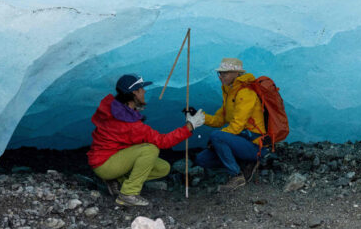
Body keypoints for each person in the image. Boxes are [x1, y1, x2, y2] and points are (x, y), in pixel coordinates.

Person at [87, 74, 205, 206]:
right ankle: (128, 193)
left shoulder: (116, 108)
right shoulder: (130, 124)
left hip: (111, 158)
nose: (144, 91)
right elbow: (163, 141)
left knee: (162, 168)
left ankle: (117, 180)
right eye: (141, 89)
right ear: (134, 93)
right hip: (105, 164)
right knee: (150, 149)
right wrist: (190, 126)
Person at [195, 58, 265, 191]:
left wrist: (215, 138)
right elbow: (219, 120)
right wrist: (199, 117)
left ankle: (236, 175)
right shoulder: (230, 92)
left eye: (224, 73)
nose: (220, 76)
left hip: (255, 144)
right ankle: (243, 163)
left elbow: (237, 125)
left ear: (237, 74)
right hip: (239, 142)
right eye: (220, 73)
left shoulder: (246, 92)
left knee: (217, 136)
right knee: (202, 159)